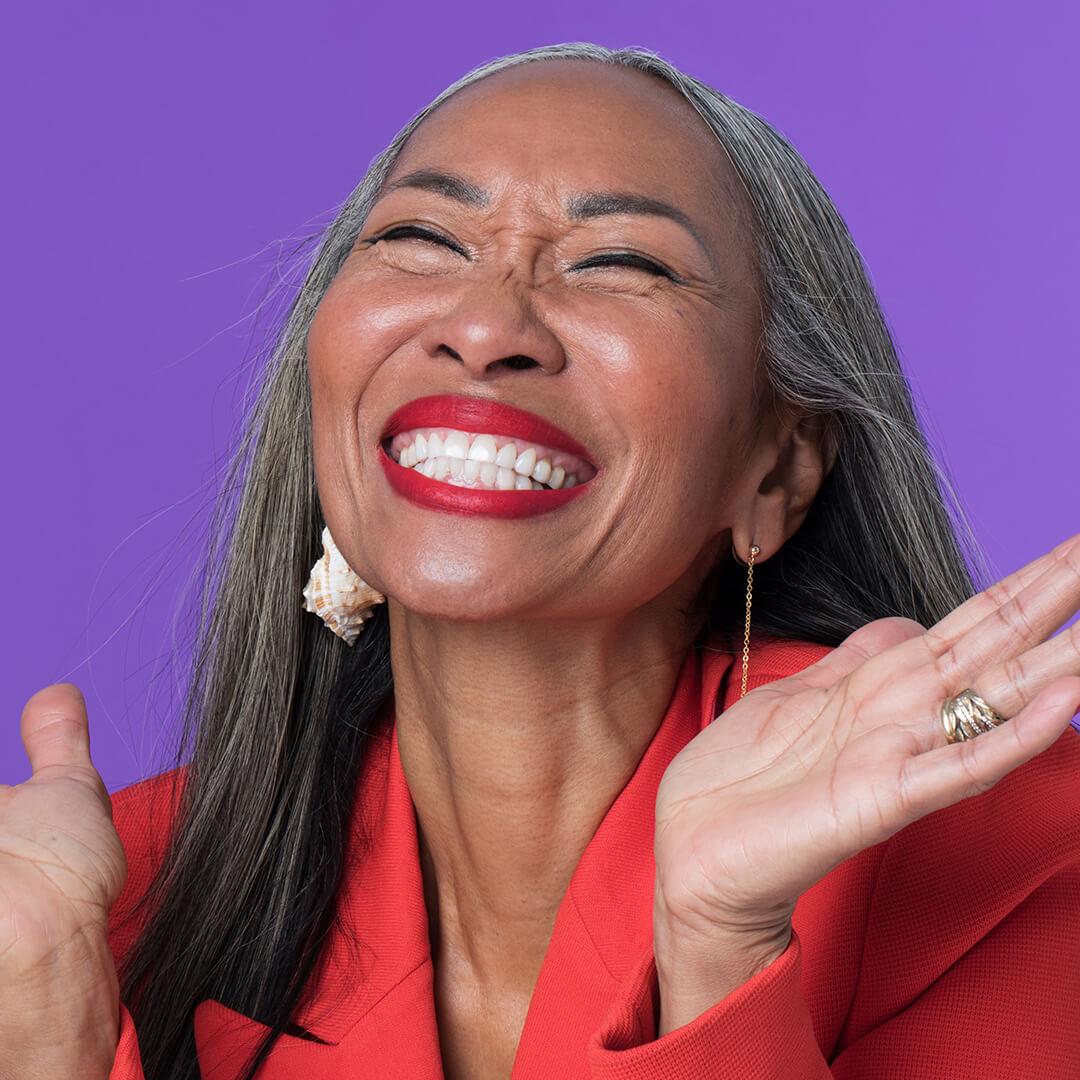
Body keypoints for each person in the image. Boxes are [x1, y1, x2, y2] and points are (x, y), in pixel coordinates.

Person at [4, 41, 1079, 1080]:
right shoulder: (96, 908)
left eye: (619, 262)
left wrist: (715, 954)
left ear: (776, 473)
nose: (484, 326)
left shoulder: (1010, 854)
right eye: (421, 238)